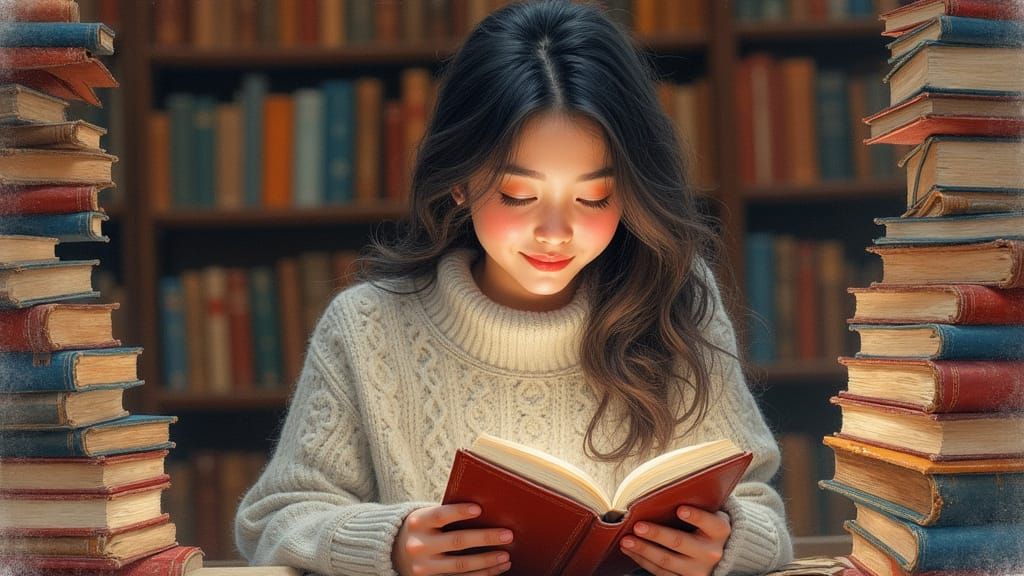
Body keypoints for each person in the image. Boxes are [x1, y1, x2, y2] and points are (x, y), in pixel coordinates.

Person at [234, 1, 793, 575]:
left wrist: (728, 543)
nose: (555, 232)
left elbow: (757, 505)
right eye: (518, 196)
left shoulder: (674, 301)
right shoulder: (369, 326)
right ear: (458, 182)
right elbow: (275, 519)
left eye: (594, 197)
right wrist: (392, 544)